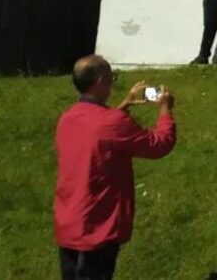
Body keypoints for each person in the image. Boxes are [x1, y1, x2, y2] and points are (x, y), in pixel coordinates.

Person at [54, 55, 176, 280]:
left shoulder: (67, 119)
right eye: (111, 77)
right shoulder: (112, 122)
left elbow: (98, 133)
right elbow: (158, 145)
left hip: (69, 223)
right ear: (101, 80)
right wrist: (165, 111)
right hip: (98, 227)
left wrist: (123, 106)